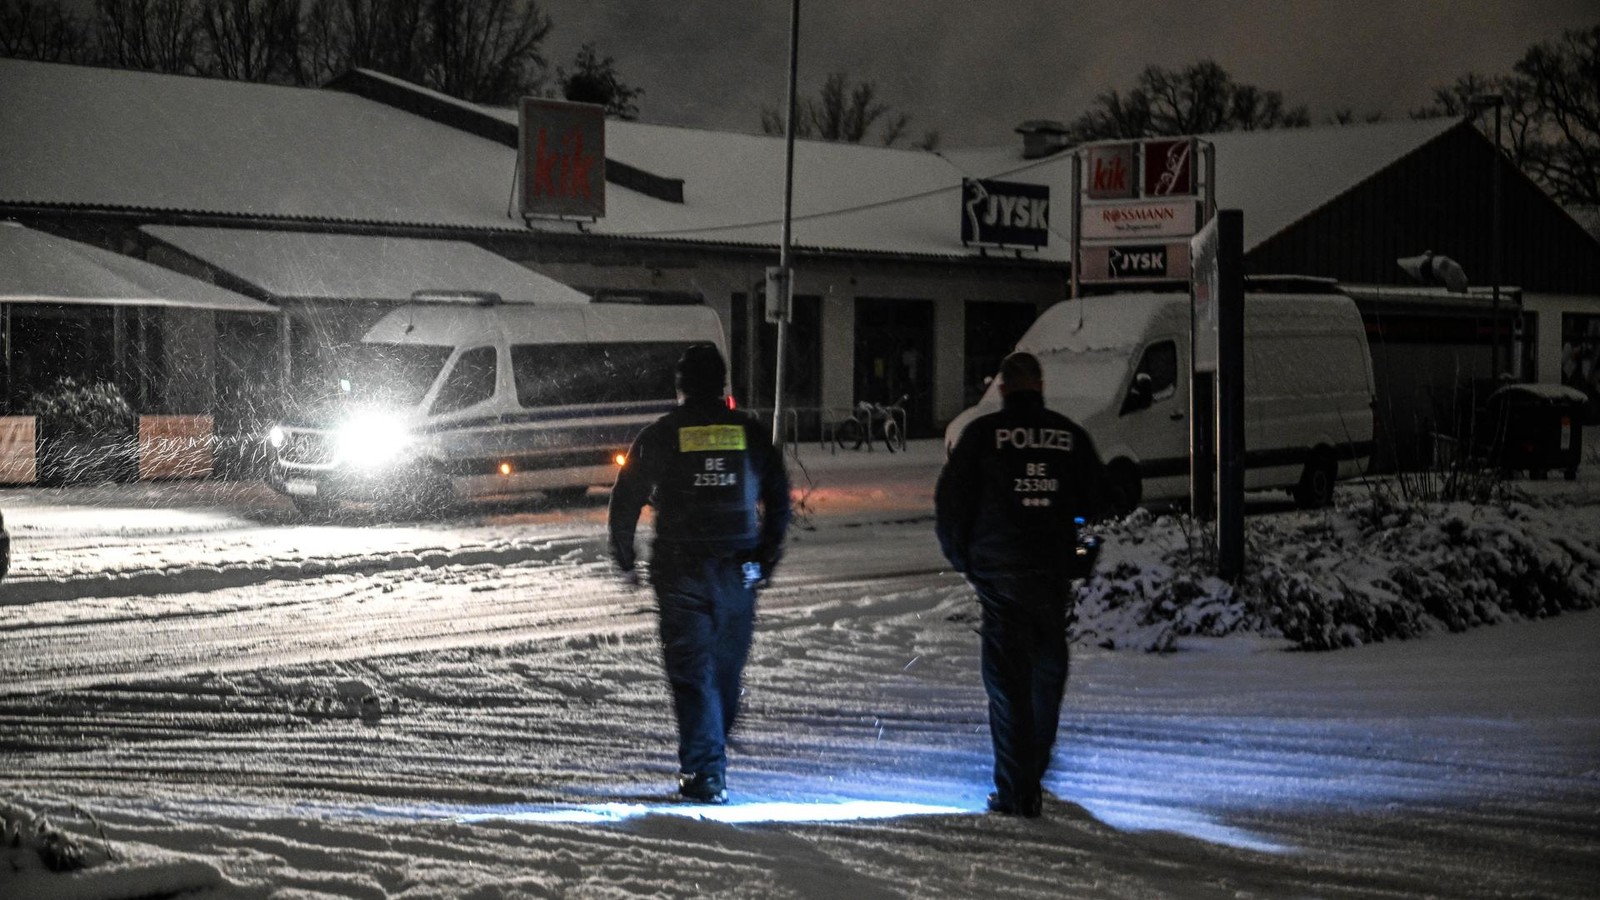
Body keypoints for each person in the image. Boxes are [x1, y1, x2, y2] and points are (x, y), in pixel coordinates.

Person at [609, 344, 792, 804]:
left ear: (681, 387)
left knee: (693, 674)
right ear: (721, 384)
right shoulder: (749, 433)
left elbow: (626, 496)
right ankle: (709, 756)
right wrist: (764, 559)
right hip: (737, 572)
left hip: (681, 571)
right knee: (725, 672)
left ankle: (706, 771)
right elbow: (779, 499)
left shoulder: (662, 434)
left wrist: (625, 555)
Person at [934, 350, 1110, 818]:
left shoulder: (981, 436)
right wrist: (1077, 554)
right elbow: (1097, 503)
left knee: (1008, 686)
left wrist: (968, 562)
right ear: (1041, 385)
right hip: (1051, 576)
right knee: (1046, 678)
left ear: (1003, 389)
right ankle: (1031, 772)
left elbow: (951, 505)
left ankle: (1018, 791)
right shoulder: (1069, 436)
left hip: (1000, 578)